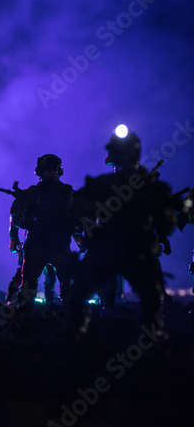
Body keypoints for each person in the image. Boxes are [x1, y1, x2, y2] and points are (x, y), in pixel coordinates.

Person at [66, 128, 179, 336]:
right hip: (109, 247)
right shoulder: (105, 184)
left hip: (133, 248)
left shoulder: (149, 187)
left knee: (151, 301)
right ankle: (81, 335)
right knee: (78, 295)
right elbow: (75, 207)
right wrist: (97, 209)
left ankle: (147, 339)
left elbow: (166, 224)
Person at [10, 154, 77, 310]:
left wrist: (79, 235)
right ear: (41, 171)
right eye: (48, 169)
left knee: (67, 285)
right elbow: (15, 215)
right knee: (28, 285)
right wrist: (14, 237)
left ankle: (71, 315)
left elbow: (78, 214)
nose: (52, 172)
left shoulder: (66, 192)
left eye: (54, 169)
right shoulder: (33, 193)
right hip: (38, 242)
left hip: (58, 243)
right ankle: (25, 316)